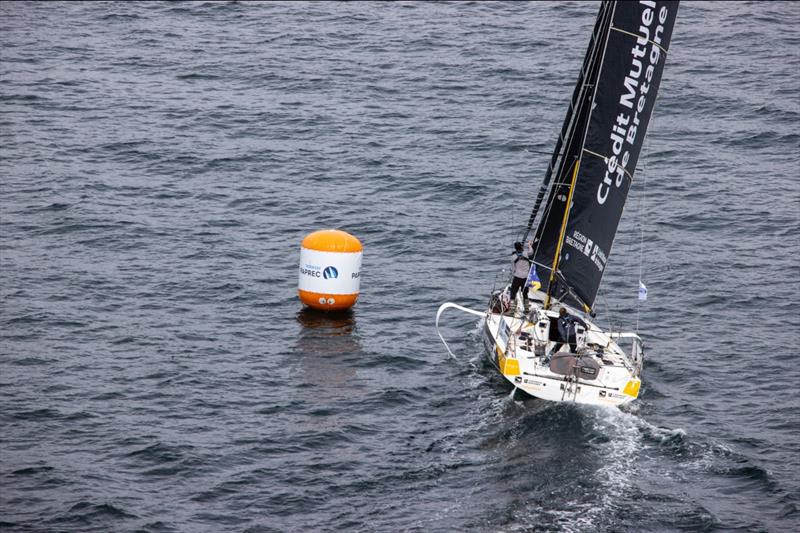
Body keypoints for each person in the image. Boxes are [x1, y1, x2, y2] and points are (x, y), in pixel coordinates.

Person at [509, 240, 534, 311]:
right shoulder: (526, 253)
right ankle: (526, 309)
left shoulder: (513, 257)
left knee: (513, 293)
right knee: (525, 294)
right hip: (525, 278)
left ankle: (512, 310)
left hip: (517, 277)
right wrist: (529, 245)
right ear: (521, 247)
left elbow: (513, 269)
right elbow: (531, 252)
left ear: (515, 248)